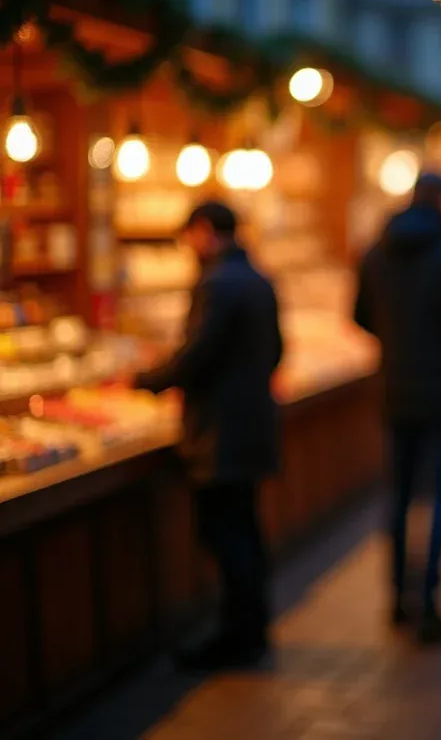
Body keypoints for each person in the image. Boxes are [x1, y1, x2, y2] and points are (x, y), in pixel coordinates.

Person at [135, 201, 282, 671]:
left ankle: (236, 638)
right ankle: (252, 630)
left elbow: (197, 354)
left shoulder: (216, 283)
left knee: (224, 534)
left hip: (219, 431)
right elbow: (277, 350)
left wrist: (147, 380)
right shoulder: (258, 278)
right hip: (252, 424)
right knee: (245, 530)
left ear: (203, 231)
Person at [353, 173, 441, 645]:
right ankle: (429, 604)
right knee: (440, 500)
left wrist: (396, 341)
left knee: (398, 495)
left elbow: (358, 315)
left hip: (395, 391)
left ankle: (396, 599)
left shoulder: (376, 253)